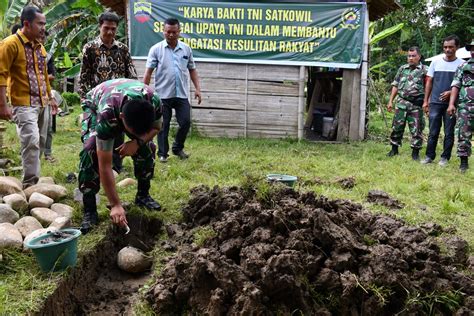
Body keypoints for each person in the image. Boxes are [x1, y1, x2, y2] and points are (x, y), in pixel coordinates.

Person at [78, 79, 162, 234]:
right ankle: (89, 209)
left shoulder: (154, 101)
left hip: (124, 103)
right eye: (133, 131)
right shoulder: (106, 116)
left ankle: (143, 195)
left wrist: (138, 142)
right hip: (96, 105)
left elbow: (157, 127)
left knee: (148, 147)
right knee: (90, 152)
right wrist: (115, 204)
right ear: (122, 117)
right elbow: (105, 166)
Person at [0, 6, 58, 188]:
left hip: (42, 102)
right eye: (40, 24)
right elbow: (1, 75)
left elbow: (43, 77)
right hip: (23, 103)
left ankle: (33, 179)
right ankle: (30, 185)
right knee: (31, 141)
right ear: (27, 23)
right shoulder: (10, 44)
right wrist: (2, 105)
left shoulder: (40, 47)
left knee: (39, 141)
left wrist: (51, 98)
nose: (43, 28)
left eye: (44, 24)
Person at [79, 10, 138, 173]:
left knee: (118, 131)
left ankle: (116, 167)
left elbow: (131, 74)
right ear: (100, 27)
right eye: (106, 28)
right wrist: (84, 100)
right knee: (96, 132)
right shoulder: (89, 48)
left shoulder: (123, 49)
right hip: (97, 100)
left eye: (113, 28)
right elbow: (84, 75)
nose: (110, 32)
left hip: (119, 100)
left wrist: (132, 98)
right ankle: (96, 164)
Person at [143, 18, 202, 163]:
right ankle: (163, 154)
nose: (170, 35)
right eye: (168, 32)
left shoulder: (186, 49)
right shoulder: (156, 49)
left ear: (179, 32)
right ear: (163, 31)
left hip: (181, 94)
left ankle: (177, 148)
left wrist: (198, 89)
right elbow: (148, 72)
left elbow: (192, 70)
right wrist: (144, 92)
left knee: (186, 122)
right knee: (163, 125)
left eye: (174, 32)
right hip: (163, 95)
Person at [421, 35, 463, 166]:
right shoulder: (435, 62)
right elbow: (429, 82)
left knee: (449, 132)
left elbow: (464, 84)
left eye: (451, 47)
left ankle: (445, 158)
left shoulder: (462, 64)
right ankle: (429, 156)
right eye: (445, 47)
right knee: (433, 131)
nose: (448, 49)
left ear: (457, 47)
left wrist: (451, 92)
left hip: (452, 105)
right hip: (435, 103)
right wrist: (425, 101)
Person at [387, 47, 428, 160]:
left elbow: (430, 87)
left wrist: (426, 102)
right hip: (401, 103)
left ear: (419, 56)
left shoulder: (425, 70)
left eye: (413, 56)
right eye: (409, 56)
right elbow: (395, 85)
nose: (410, 58)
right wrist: (390, 100)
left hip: (416, 105)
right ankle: (394, 149)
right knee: (397, 127)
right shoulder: (402, 69)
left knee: (417, 129)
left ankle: (415, 153)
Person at [447, 39, 474, 173]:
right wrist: (451, 104)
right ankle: (464, 163)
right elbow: (456, 85)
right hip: (465, 107)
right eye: (472, 49)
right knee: (463, 135)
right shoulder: (463, 66)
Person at [40, 30, 58, 163]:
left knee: (48, 127)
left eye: (44, 39)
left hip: (46, 93)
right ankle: (35, 156)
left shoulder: (47, 55)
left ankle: (47, 153)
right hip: (30, 97)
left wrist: (42, 76)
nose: (42, 41)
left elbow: (52, 75)